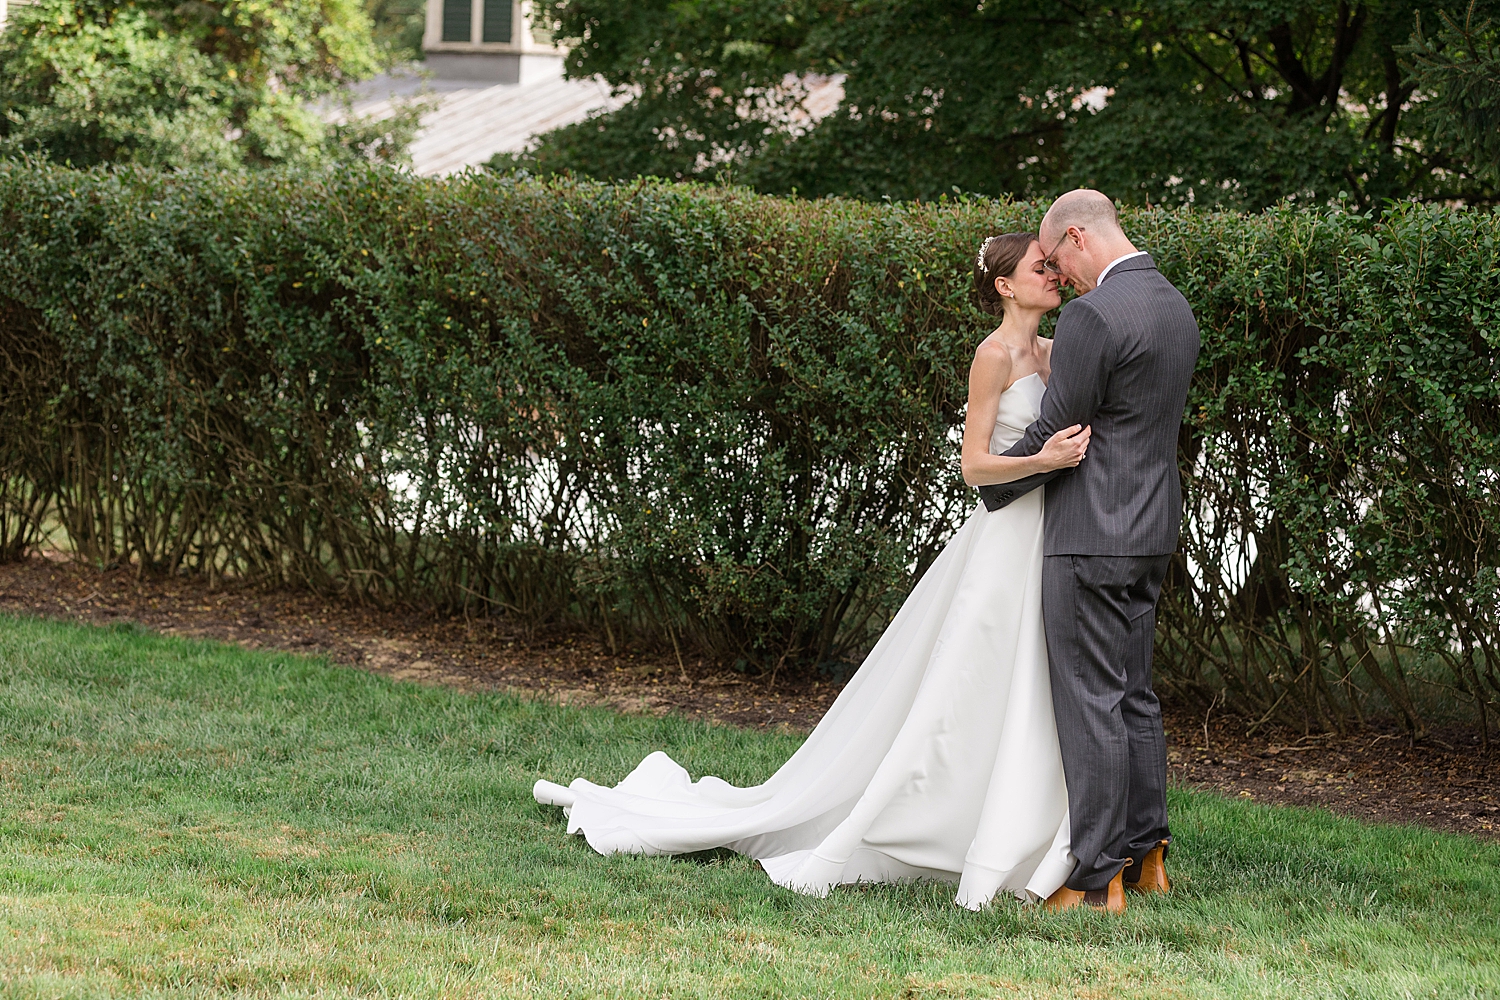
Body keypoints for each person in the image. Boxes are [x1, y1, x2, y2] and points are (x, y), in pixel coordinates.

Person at [533, 231, 1092, 909]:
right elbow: (973, 466)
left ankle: (1015, 826)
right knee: (971, 681)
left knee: (1030, 682)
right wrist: (1043, 463)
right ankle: (930, 828)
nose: (1054, 274)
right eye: (1041, 267)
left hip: (1049, 533)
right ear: (1006, 285)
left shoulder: (1058, 352)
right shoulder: (994, 355)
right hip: (1004, 534)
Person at [979, 189, 1200, 913]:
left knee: (1092, 701)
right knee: (1134, 691)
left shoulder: (1094, 316)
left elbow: (1055, 425)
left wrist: (987, 488)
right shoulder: (1173, 303)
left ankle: (1096, 875)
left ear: (1077, 236)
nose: (1061, 275)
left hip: (1089, 534)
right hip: (1151, 530)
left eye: (1057, 259)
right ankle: (1150, 856)